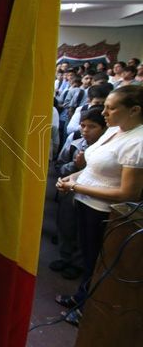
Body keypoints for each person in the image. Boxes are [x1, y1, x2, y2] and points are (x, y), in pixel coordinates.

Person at [55, 85, 143, 326]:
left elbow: (128, 192)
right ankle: (82, 296)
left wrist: (76, 187)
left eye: (110, 108)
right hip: (85, 202)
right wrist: (72, 178)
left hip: (103, 212)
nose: (103, 112)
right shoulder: (114, 130)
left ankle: (88, 308)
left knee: (96, 261)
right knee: (86, 257)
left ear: (134, 110)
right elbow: (92, 167)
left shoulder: (138, 142)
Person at [51, 107, 107, 280]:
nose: (85, 130)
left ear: (104, 129)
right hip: (70, 191)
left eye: (92, 126)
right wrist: (75, 166)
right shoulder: (74, 139)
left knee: (83, 231)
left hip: (91, 195)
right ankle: (64, 256)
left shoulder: (105, 149)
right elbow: (60, 166)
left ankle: (77, 263)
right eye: (83, 125)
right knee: (66, 224)